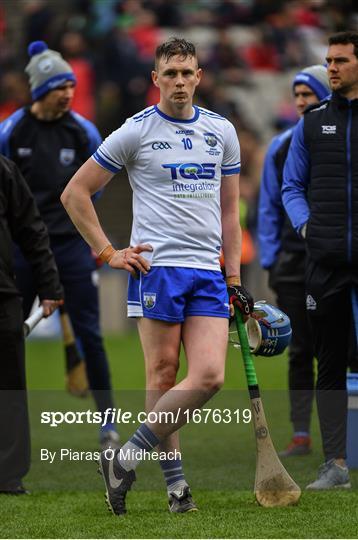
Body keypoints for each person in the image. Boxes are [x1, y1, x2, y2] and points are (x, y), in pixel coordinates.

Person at [61, 37, 253, 514]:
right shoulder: (136, 131)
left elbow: (231, 214)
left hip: (208, 271)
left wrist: (234, 277)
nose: (181, 82)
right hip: (156, 269)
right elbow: (75, 193)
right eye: (171, 74)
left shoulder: (221, 131)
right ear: (156, 79)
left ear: (199, 76)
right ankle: (176, 487)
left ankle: (124, 458)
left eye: (188, 73)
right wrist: (108, 252)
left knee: (208, 376)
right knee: (163, 375)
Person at [0, 41, 118, 450]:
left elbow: (94, 192)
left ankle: (108, 425)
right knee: (8, 337)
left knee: (91, 334)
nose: (68, 93)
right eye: (58, 87)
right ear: (39, 91)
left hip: (70, 248)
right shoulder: (12, 132)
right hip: (22, 249)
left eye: (70, 85)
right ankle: (10, 431)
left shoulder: (83, 131)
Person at [282, 30, 358, 489]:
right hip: (325, 263)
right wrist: (308, 227)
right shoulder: (311, 122)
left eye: (341, 61)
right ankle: (335, 466)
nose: (331, 67)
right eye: (328, 60)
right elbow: (292, 186)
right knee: (328, 363)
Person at [258, 65, 330, 457]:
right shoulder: (281, 145)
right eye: (297, 95)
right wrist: (271, 259)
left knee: (342, 349)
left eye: (309, 94)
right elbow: (268, 206)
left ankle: (341, 432)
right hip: (292, 263)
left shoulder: (340, 138)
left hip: (334, 260)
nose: (302, 101)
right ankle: (301, 433)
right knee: (301, 350)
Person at [0, 155, 62, 494]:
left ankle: (8, 473)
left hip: (3, 295)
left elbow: (31, 229)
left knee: (8, 386)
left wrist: (49, 285)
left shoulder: (4, 170)